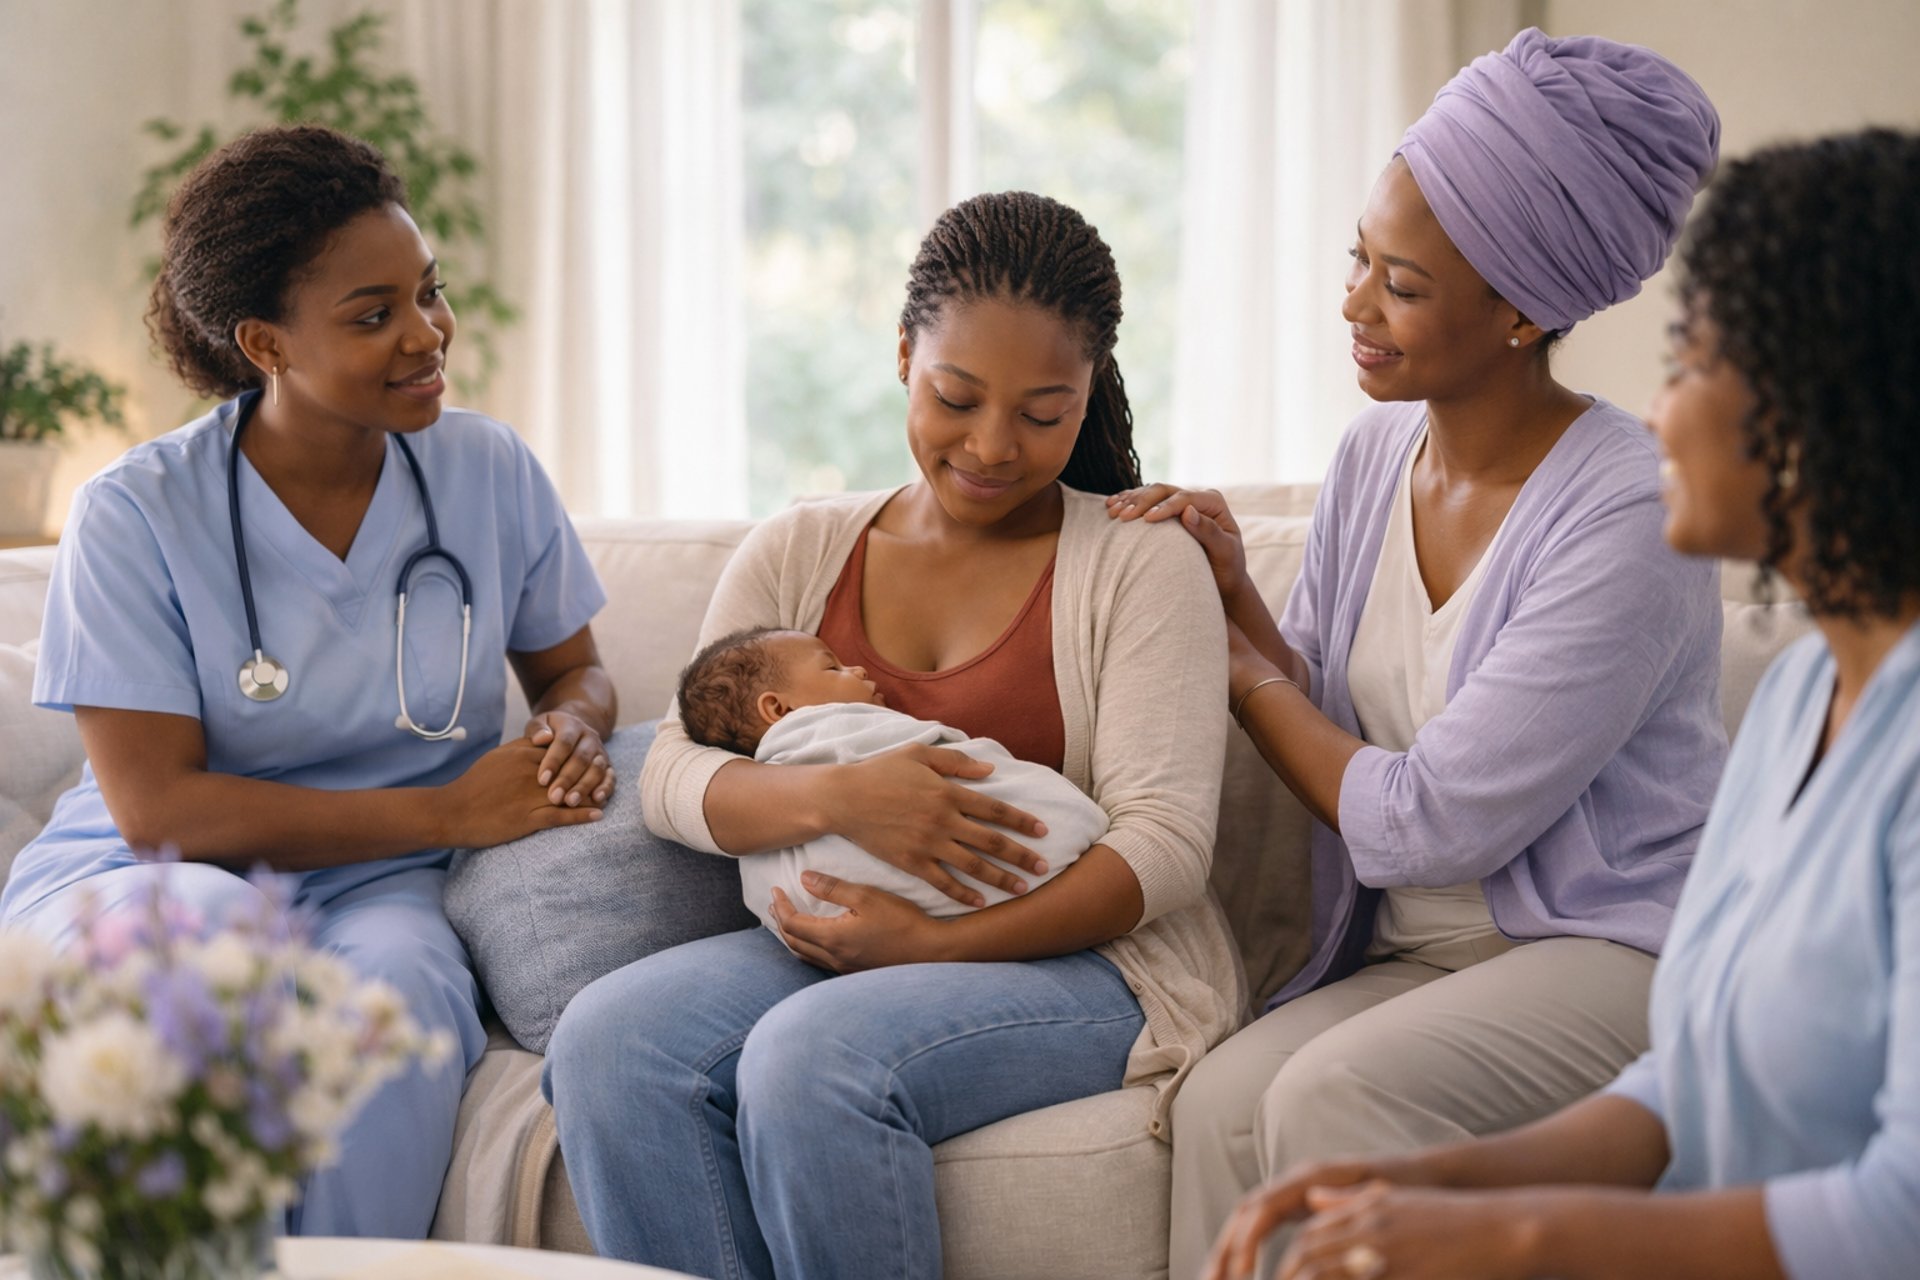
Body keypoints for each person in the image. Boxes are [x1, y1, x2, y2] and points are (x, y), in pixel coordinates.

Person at [1206, 124, 1920, 1280]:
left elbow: (1900, 1216)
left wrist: (1512, 1230)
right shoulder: (1799, 701)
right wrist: (1429, 1183)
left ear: (1817, 410)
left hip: (1568, 946)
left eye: (1689, 359)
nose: (1654, 406)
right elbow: (1686, 1074)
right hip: (1436, 954)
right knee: (1242, 1107)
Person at [1106, 30, 1729, 1274]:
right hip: (1417, 953)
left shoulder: (1631, 510)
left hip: (1609, 952)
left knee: (1327, 1098)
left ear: (1519, 309)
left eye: (1399, 281)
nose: (1352, 303)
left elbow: (1428, 822)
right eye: (1357, 258)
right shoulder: (1371, 456)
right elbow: (1330, 710)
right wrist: (1230, 600)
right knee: (1230, 1098)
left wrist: (1243, 672)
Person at [543, 191, 1242, 1278]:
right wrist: (841, 799)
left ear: (1091, 390)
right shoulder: (800, 547)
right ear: (903, 354)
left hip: (1094, 960)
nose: (993, 446)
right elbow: (674, 772)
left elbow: (1165, 846)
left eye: (1044, 410)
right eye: (956, 396)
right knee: (611, 1040)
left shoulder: (1141, 560)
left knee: (812, 1061)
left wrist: (924, 946)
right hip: (843, 937)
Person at [0, 126, 615, 1239]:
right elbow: (159, 813)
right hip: (159, 869)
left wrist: (571, 726)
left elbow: (573, 668)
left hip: (379, 880)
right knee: (202, 940)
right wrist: (447, 809)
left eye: (427, 293)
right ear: (264, 342)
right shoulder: (134, 512)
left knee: (407, 993)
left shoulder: (487, 467)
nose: (428, 334)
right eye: (373, 314)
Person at [675, 626, 1107, 928]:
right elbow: (957, 757)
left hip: (813, 917)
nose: (858, 671)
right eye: (834, 669)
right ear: (778, 710)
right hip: (1042, 863)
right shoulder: (830, 729)